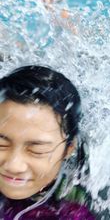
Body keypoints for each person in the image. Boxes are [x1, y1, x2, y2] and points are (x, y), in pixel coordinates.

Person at [0, 65, 95, 220]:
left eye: (37, 151)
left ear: (68, 149)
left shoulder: (78, 208)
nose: (13, 165)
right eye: (1, 145)